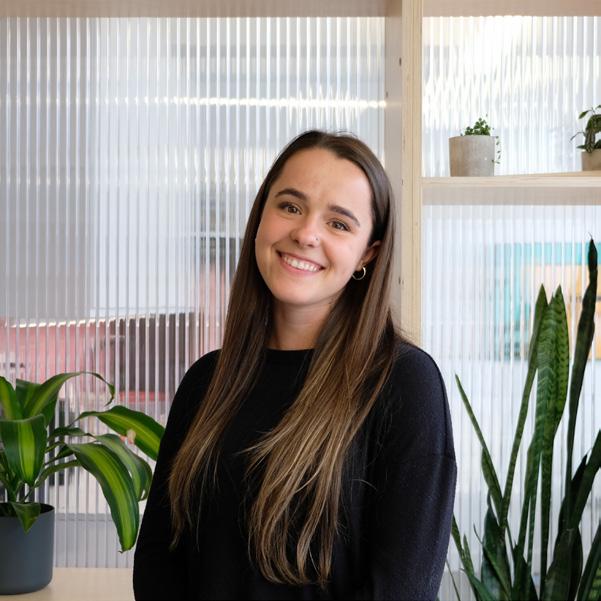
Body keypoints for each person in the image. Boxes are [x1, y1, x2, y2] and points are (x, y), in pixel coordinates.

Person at [133, 130, 457, 600]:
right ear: (261, 216)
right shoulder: (206, 382)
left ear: (367, 253)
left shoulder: (404, 384)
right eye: (290, 206)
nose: (306, 234)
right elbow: (159, 565)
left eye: (339, 223)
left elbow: (401, 589)